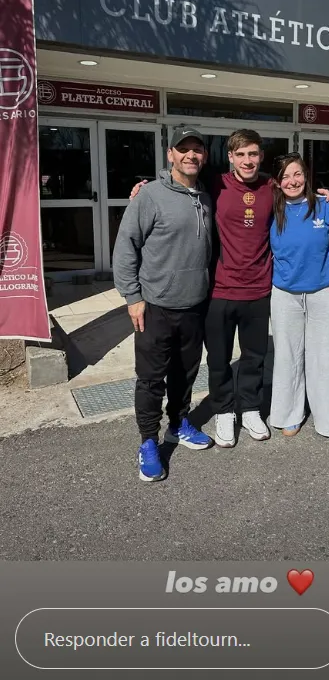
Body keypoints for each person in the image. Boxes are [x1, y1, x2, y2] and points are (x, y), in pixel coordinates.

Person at [130, 128, 329, 449]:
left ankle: (251, 409)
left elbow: (296, 191)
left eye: (253, 154)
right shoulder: (215, 183)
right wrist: (145, 186)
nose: (247, 160)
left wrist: (320, 194)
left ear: (261, 156)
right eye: (240, 154)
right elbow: (179, 181)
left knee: (254, 357)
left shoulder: (271, 186)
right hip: (219, 292)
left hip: (259, 290)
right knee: (219, 359)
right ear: (230, 158)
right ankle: (225, 411)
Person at [112, 127, 213, 483]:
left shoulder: (207, 193)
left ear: (204, 156)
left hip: (195, 304)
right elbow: (126, 247)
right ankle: (148, 442)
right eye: (183, 149)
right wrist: (132, 297)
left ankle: (179, 424)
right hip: (154, 306)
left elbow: (253, 179)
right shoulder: (149, 196)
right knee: (151, 380)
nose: (190, 155)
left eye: (197, 150)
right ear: (170, 154)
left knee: (185, 373)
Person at [269, 153, 329, 438]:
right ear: (278, 182)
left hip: (323, 292)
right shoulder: (272, 208)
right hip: (284, 294)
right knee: (287, 356)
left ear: (306, 175)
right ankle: (290, 414)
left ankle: (326, 417)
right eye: (285, 176)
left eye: (297, 174)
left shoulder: (326, 207)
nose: (292, 181)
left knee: (326, 356)